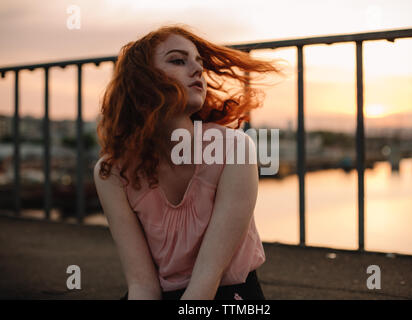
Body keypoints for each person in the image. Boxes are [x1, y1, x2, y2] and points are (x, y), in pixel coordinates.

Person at [93, 25, 282, 300]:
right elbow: (142, 285)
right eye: (178, 60)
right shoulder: (111, 172)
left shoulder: (235, 148)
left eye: (199, 63)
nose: (197, 70)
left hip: (228, 295)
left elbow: (206, 282)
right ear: (142, 80)